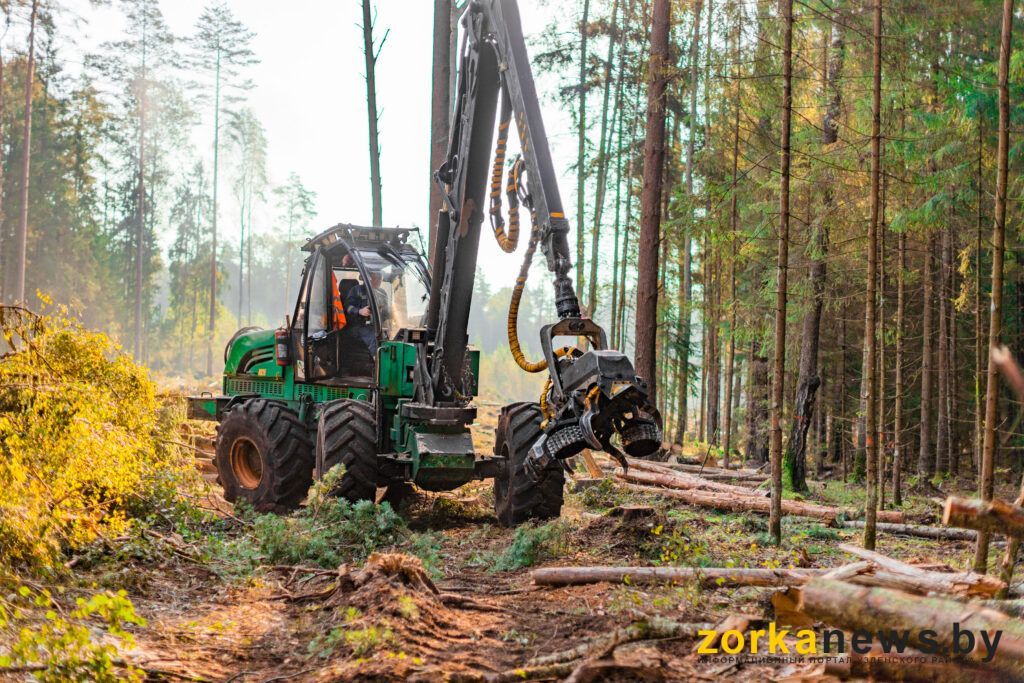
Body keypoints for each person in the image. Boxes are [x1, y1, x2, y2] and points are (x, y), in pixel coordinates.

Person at [345, 270, 390, 356]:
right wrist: (359, 311)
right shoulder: (356, 290)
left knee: (391, 338)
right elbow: (347, 307)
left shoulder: (382, 293)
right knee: (375, 339)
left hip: (377, 326)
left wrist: (389, 327)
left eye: (380, 278)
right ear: (367, 279)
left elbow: (386, 312)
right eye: (375, 278)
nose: (378, 280)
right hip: (359, 325)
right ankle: (376, 364)